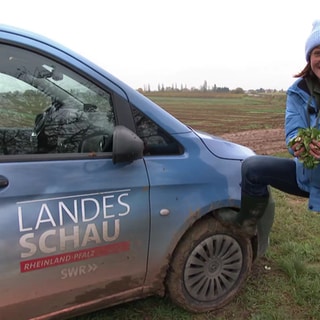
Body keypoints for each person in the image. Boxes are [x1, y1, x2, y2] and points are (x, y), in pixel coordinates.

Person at [221, 20, 320, 236]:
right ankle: (247, 224)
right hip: (307, 174)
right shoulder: (298, 91)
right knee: (253, 168)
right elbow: (294, 130)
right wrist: (298, 145)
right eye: (318, 52)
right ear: (310, 58)